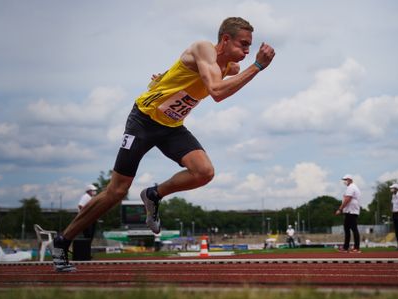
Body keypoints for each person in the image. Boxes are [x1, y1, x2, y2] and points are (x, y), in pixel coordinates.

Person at [51, 17, 276, 272]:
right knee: (115, 191)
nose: (247, 52)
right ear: (225, 39)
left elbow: (186, 73)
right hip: (143, 121)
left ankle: (154, 194)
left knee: (204, 172)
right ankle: (62, 241)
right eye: (243, 45)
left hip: (171, 126)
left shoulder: (231, 67)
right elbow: (216, 91)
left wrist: (164, 77)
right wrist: (258, 65)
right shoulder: (204, 48)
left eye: (250, 47)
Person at [335, 174, 362, 253]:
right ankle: (345, 247)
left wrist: (340, 209)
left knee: (354, 229)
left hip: (352, 211)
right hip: (349, 211)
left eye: (345, 180)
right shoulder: (350, 187)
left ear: (350, 180)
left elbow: (347, 199)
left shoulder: (351, 187)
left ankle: (356, 248)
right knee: (347, 229)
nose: (344, 181)